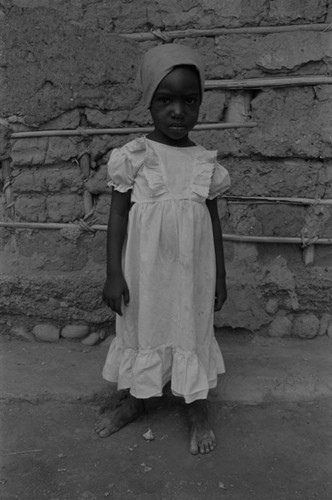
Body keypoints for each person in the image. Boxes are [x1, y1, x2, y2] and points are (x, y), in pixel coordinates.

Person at [95, 43, 230, 455]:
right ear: (149, 102)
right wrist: (114, 273)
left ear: (200, 104)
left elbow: (213, 219)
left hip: (193, 270)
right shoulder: (134, 156)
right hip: (145, 271)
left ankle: (197, 408)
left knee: (192, 327)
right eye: (165, 100)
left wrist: (220, 275)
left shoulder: (205, 162)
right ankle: (138, 399)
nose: (178, 111)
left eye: (190, 101)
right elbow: (118, 216)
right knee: (147, 326)